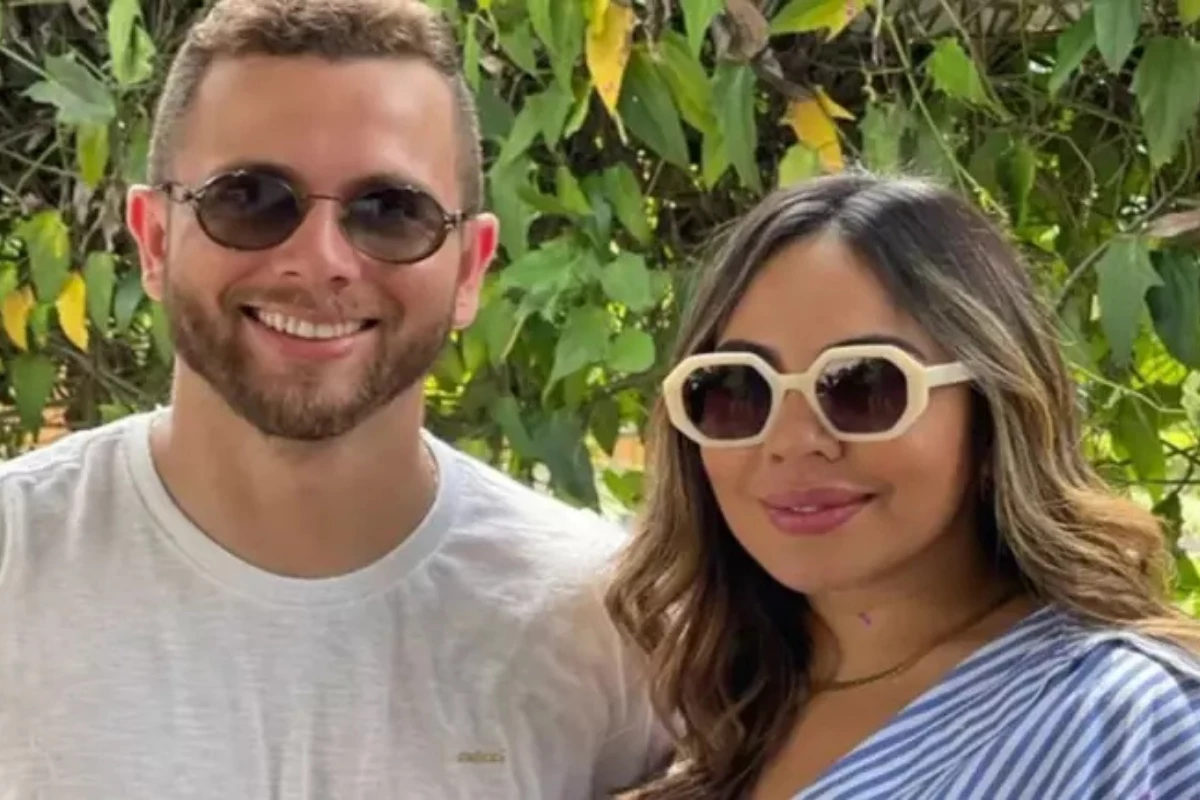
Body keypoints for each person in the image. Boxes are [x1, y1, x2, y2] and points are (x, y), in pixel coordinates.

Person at [0, 1, 668, 797]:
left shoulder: (606, 628)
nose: (320, 261)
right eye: (249, 198)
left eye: (390, 212)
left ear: (469, 268)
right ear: (153, 239)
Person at [604, 172, 1200, 799]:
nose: (792, 440)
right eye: (738, 390)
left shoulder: (1125, 724)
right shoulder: (703, 710)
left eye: (863, 385)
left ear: (992, 409)